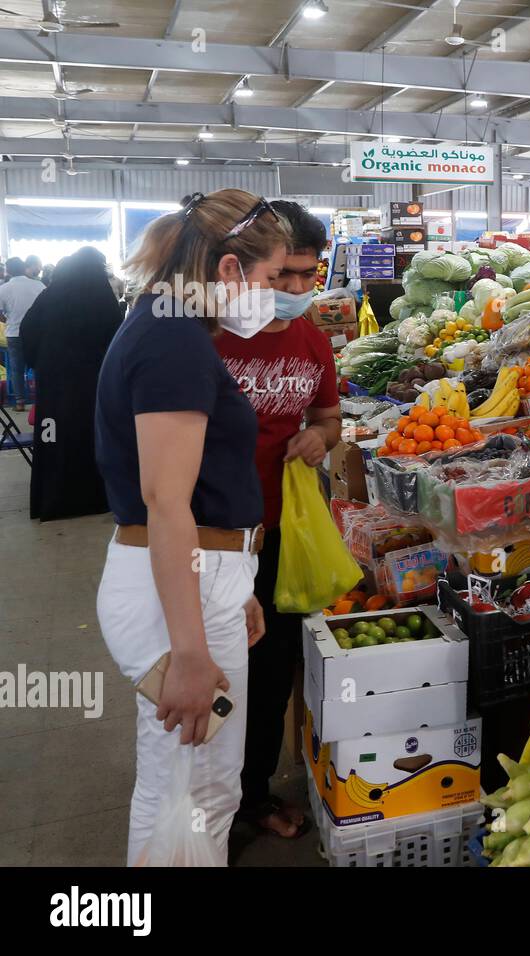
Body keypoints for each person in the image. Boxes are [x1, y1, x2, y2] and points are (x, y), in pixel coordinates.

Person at [95, 189, 287, 865]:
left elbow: (195, 494)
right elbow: (165, 501)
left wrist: (238, 588)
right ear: (229, 270)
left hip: (201, 579)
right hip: (179, 589)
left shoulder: (163, 325)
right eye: (267, 280)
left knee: (195, 781)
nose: (271, 296)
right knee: (190, 785)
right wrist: (191, 649)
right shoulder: (172, 341)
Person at [215, 199, 339, 840]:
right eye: (282, 274)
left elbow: (327, 419)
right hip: (210, 540)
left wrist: (320, 440)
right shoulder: (207, 337)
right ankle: (210, 808)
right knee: (216, 675)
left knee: (267, 676)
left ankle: (253, 794)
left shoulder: (313, 340)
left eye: (306, 276)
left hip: (281, 535)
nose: (292, 290)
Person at [20, 247, 122, 520]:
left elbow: (27, 329)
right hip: (91, 381)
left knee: (51, 436)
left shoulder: (51, 293)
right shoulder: (102, 296)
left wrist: (39, 361)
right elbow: (116, 335)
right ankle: (91, 498)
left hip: (54, 379)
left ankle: (52, 499)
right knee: (88, 435)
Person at [0, 255, 45, 410]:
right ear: (24, 267)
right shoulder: (39, 286)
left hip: (14, 333)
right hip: (37, 333)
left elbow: (0, 312)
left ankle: (19, 402)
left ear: (9, 271)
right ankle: (41, 399)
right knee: (39, 366)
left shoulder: (3, 289)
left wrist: (8, 318)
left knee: (16, 369)